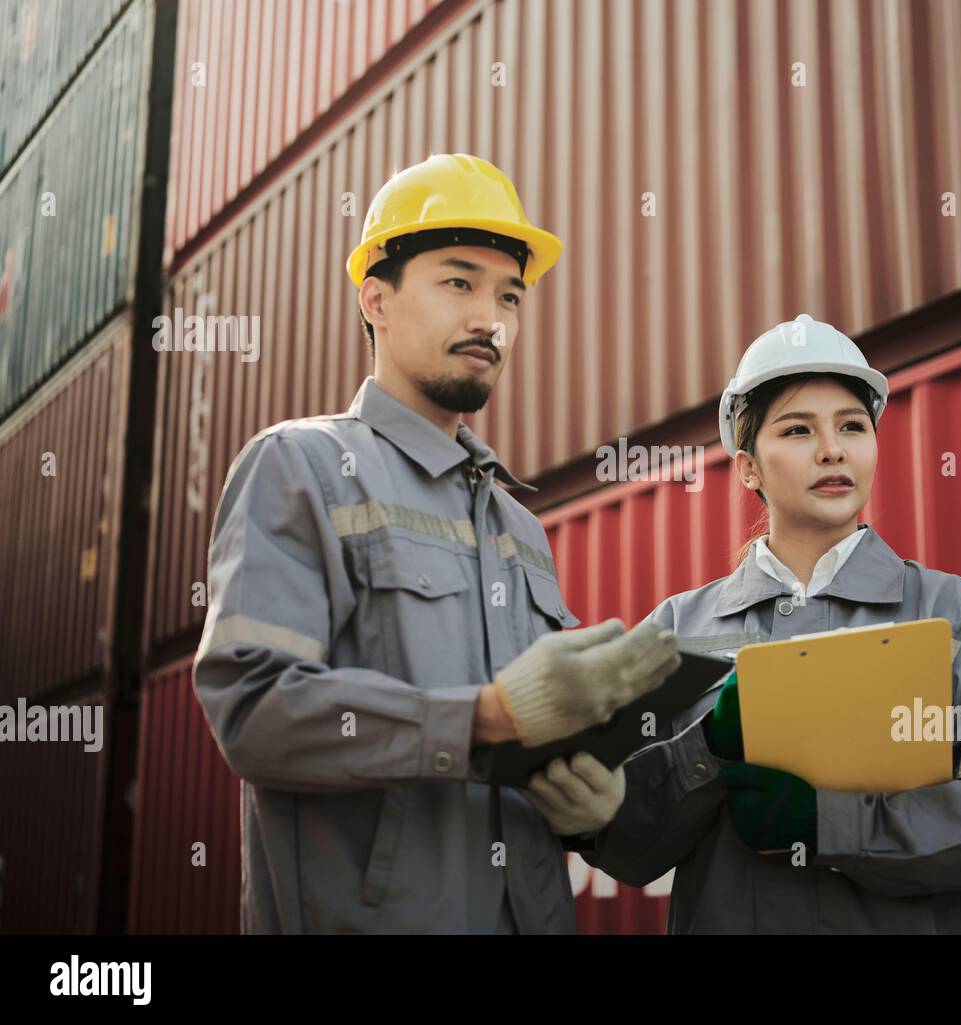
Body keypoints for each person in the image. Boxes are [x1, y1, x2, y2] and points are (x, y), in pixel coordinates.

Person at [192, 153, 678, 934]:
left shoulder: (518, 526)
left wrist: (596, 808)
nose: (492, 319)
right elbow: (250, 709)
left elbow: (535, 758)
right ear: (375, 299)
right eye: (459, 283)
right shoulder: (301, 467)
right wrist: (483, 717)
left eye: (509, 296)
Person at [567, 313, 961, 933]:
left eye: (852, 426)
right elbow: (620, 839)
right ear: (749, 467)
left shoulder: (951, 612)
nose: (833, 448)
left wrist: (834, 825)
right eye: (798, 429)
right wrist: (707, 752)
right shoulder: (676, 630)